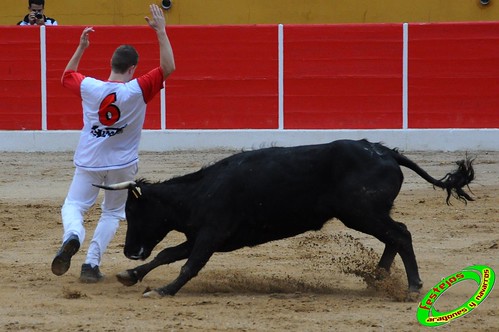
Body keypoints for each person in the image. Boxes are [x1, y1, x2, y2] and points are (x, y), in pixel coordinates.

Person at [51, 4, 175, 283]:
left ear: (112, 65)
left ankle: (73, 234)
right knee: (112, 212)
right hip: (122, 165)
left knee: (73, 206)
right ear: (132, 68)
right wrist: (161, 32)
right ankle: (91, 264)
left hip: (89, 160)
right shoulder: (137, 89)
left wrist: (82, 47)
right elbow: (169, 67)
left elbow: (66, 77)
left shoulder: (90, 86)